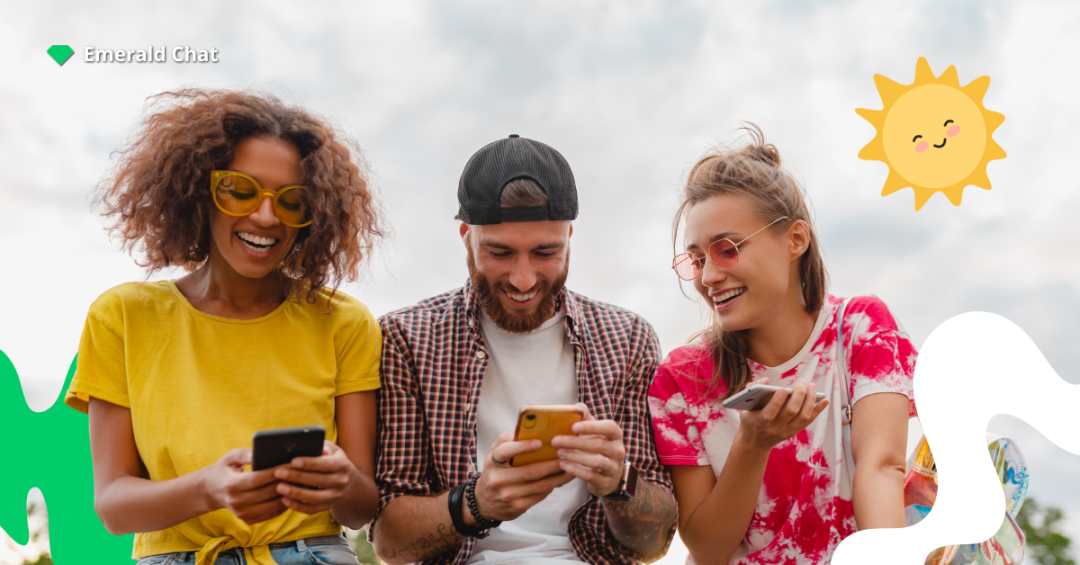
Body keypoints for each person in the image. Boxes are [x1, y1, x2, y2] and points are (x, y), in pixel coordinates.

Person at [64, 89, 384, 565]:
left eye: (292, 201)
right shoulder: (122, 316)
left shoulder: (344, 322)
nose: (266, 217)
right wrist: (207, 490)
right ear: (198, 193)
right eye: (240, 190)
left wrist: (341, 481)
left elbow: (360, 509)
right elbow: (113, 507)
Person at [370, 135, 679, 565]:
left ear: (569, 237)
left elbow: (653, 545)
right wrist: (477, 503)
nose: (523, 279)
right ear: (466, 237)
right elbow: (389, 545)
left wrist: (618, 481)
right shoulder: (407, 338)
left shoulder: (628, 338)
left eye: (546, 252)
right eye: (499, 252)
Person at [648, 125, 917, 564]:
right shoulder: (681, 379)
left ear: (795, 239)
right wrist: (752, 445)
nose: (709, 276)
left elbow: (881, 468)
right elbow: (707, 549)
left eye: (727, 249)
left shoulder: (862, 329)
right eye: (696, 260)